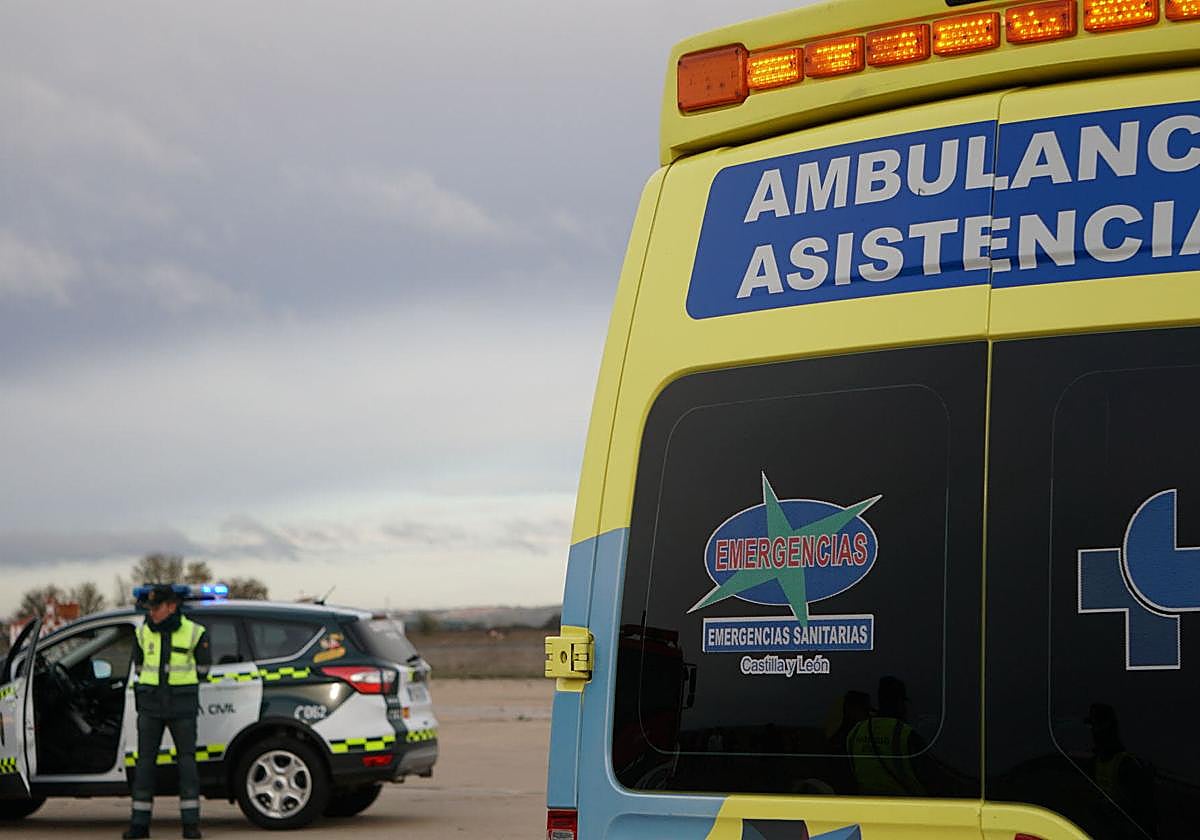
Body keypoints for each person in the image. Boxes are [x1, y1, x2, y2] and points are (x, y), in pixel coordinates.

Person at [124, 585, 210, 840]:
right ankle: (139, 826)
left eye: (157, 607)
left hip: (181, 706)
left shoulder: (195, 632)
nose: (152, 613)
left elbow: (204, 669)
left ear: (172, 606)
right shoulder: (142, 634)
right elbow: (139, 667)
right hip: (151, 705)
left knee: (186, 764)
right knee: (145, 765)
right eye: (150, 608)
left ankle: (190, 826)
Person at [845, 676, 924, 796]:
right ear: (899, 703)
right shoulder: (905, 733)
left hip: (864, 806)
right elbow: (929, 775)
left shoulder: (856, 731)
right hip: (906, 808)